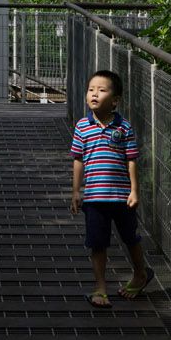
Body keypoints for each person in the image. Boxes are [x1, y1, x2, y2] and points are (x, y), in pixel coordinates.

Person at [69, 69, 151, 307]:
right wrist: (76, 191)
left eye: (101, 90)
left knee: (130, 237)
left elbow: (131, 159)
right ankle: (100, 287)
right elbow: (78, 159)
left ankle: (140, 273)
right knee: (97, 243)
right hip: (94, 198)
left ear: (115, 100)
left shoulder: (123, 127)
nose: (94, 94)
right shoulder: (82, 126)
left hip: (121, 196)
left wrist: (135, 190)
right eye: (91, 89)